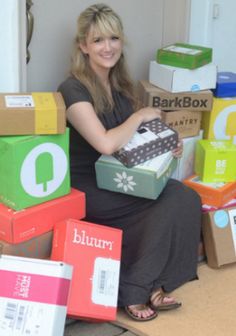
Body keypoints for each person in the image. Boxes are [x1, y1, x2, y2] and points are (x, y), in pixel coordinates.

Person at [58, 3, 202, 322]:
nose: (107, 47)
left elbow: (133, 140)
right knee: (161, 206)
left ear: (121, 42)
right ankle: (133, 289)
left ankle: (154, 283)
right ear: (83, 46)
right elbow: (106, 142)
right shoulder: (72, 89)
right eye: (97, 40)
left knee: (185, 197)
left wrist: (167, 144)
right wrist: (140, 115)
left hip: (121, 175)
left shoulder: (119, 85)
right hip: (89, 185)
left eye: (113, 38)